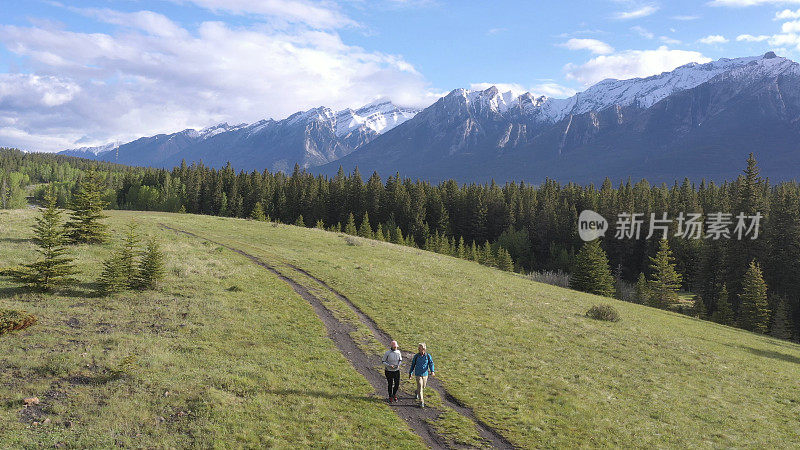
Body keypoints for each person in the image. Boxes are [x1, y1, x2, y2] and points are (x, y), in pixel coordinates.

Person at [408, 342, 435, 408]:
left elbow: (431, 364)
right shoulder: (416, 356)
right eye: (418, 348)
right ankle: (421, 401)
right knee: (420, 386)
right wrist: (410, 373)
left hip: (425, 374)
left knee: (423, 386)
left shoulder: (428, 356)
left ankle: (416, 392)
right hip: (418, 374)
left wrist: (432, 371)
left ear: (424, 349)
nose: (418, 349)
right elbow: (413, 365)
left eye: (419, 348)